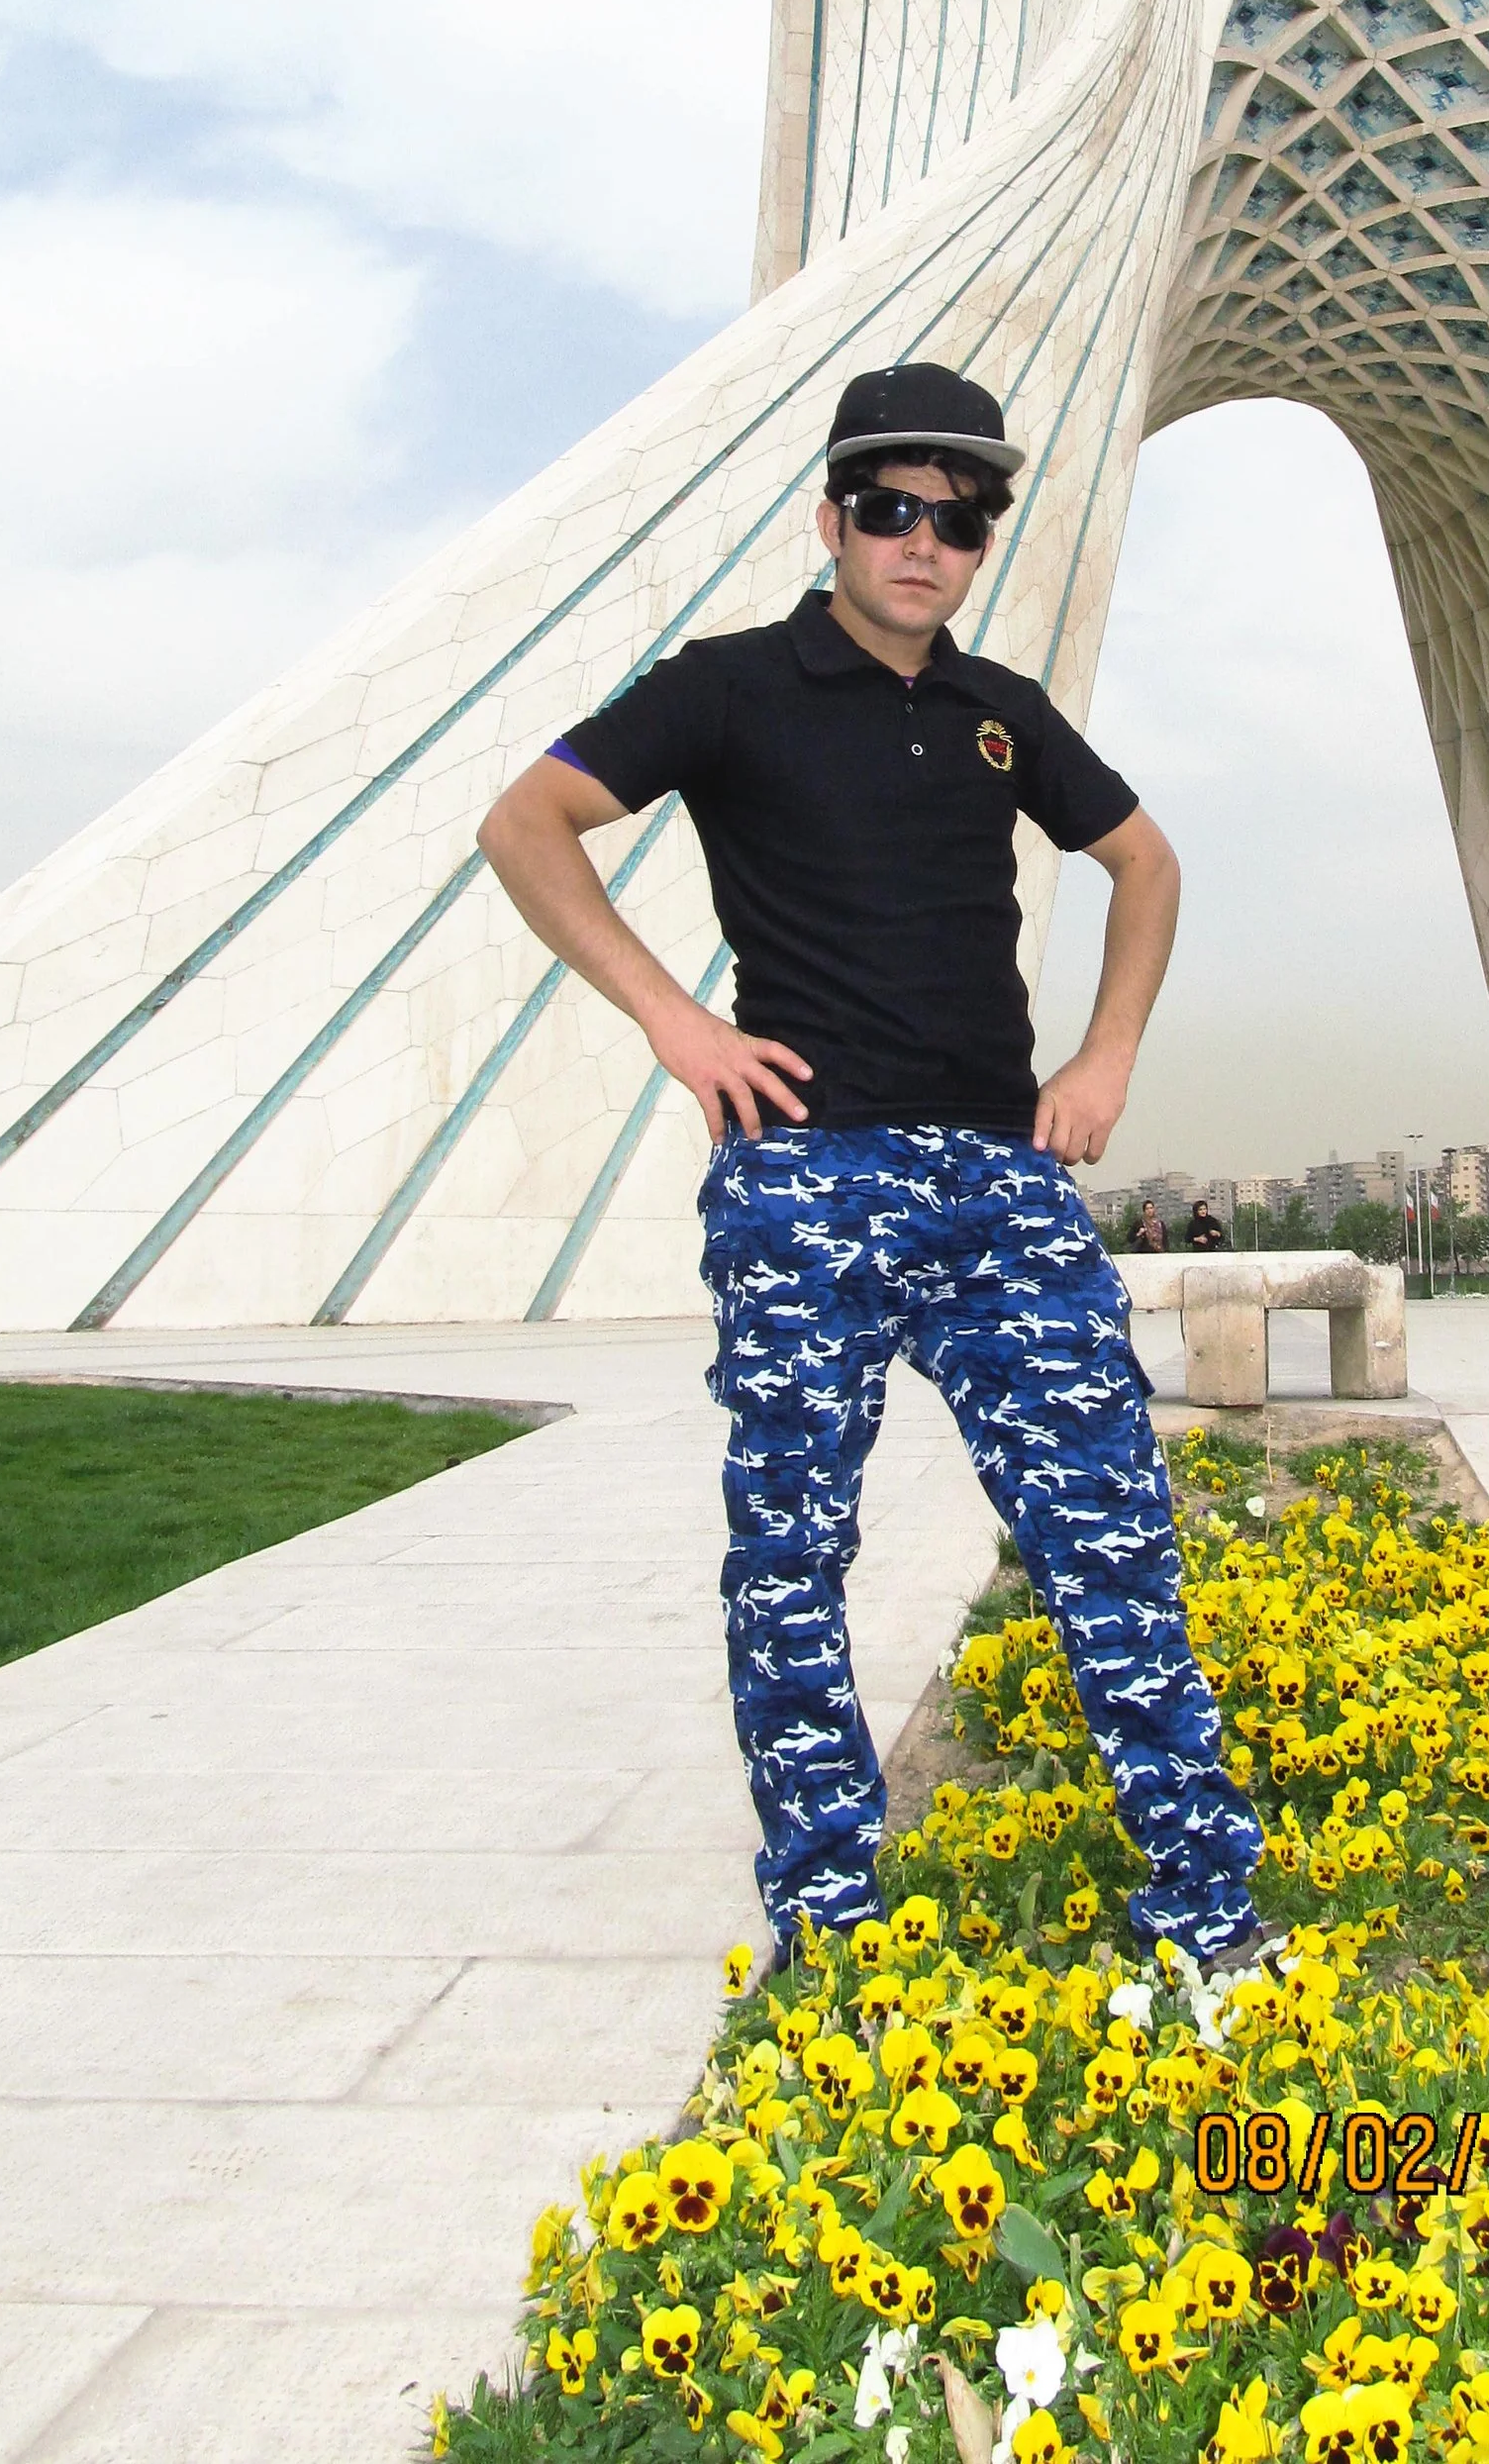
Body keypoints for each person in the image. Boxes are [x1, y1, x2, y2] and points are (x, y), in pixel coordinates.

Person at [476, 361, 1263, 1965]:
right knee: (791, 1553)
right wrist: (673, 1022)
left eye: (960, 520)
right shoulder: (725, 687)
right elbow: (526, 826)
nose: (926, 543)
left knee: (1109, 1533)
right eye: (894, 509)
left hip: (1000, 1182)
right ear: (832, 518)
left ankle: (1209, 1913)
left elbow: (1147, 861)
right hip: (806, 1180)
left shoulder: (1000, 717)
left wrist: (1104, 1055)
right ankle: (831, 1920)